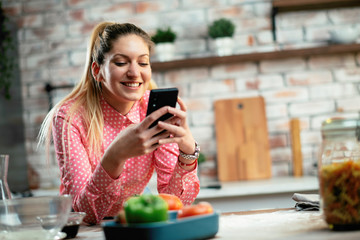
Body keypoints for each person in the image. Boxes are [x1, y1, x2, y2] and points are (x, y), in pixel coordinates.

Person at [37, 22, 200, 224]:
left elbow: (175, 202)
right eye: (121, 63)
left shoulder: (154, 110)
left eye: (143, 63)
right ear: (97, 71)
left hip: (130, 222)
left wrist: (187, 152)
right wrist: (115, 155)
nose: (134, 72)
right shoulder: (70, 117)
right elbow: (86, 213)